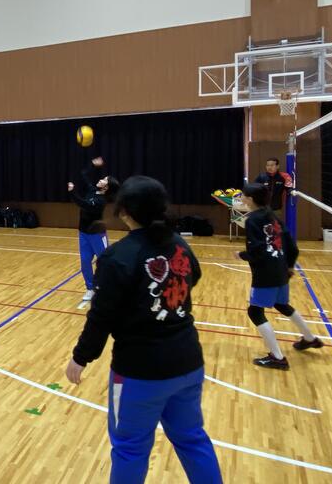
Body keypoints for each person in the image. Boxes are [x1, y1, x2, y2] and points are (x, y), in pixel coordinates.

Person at [65, 176, 222, 484]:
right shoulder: (178, 244)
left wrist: (81, 357)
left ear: (124, 211)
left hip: (139, 371)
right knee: (192, 439)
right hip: (188, 361)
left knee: (130, 449)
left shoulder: (118, 257)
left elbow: (101, 317)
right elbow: (194, 275)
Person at [238, 183, 324, 369]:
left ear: (250, 199)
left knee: (255, 312)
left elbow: (257, 252)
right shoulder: (273, 216)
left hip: (266, 273)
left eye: (243, 195)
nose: (241, 198)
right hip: (281, 269)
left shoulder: (252, 220)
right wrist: (290, 266)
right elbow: (292, 247)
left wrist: (241, 255)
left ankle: (277, 357)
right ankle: (310, 338)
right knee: (281, 305)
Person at [67, 156, 120, 303]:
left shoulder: (101, 201)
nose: (101, 179)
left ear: (106, 188)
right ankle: (90, 288)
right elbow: (83, 175)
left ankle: (110, 287)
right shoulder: (92, 190)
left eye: (104, 180)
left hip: (97, 235)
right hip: (83, 233)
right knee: (85, 262)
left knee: (105, 262)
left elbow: (83, 204)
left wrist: (72, 192)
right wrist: (92, 164)